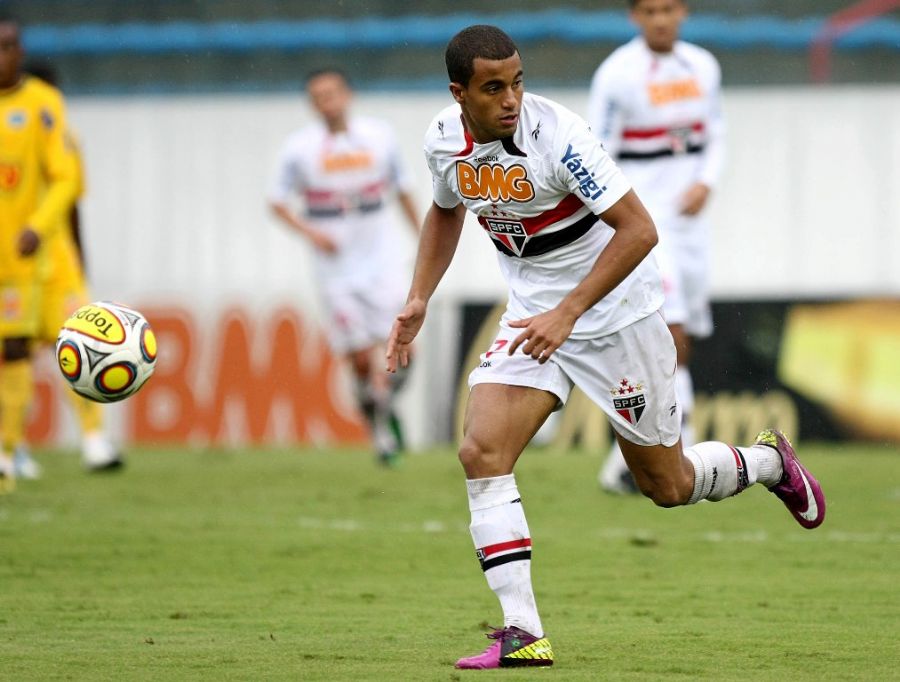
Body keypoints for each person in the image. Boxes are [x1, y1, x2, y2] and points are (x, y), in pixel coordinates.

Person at [386, 24, 824, 670]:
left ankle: (766, 464)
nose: (512, 98)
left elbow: (639, 231)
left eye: (518, 80)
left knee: (667, 485)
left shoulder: (560, 135)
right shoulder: (444, 143)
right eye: (493, 87)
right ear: (460, 94)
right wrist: (420, 293)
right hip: (537, 317)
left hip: (618, 315)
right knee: (481, 449)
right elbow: (446, 211)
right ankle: (523, 632)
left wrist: (570, 312)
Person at [587, 0, 724, 494]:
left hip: (690, 228)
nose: (660, 19)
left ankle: (622, 465)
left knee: (678, 337)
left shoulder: (703, 66)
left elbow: (716, 134)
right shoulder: (616, 74)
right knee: (673, 331)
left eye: (668, 8)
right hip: (645, 224)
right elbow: (594, 149)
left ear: (683, 12)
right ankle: (670, 459)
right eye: (649, 10)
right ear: (634, 17)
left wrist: (707, 182)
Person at [269, 68, 419, 466]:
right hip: (335, 272)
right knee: (358, 360)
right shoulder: (299, 149)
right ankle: (380, 432)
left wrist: (422, 235)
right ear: (312, 104)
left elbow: (402, 189)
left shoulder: (380, 137)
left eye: (333, 92)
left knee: (406, 349)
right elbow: (277, 201)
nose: (328, 101)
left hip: (383, 262)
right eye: (319, 96)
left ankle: (383, 403)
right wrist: (312, 233)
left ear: (347, 94)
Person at [15, 59, 125, 479]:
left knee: (83, 345)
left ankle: (94, 440)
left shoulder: (66, 139)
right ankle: (15, 446)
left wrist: (80, 259)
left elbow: (72, 200)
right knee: (15, 354)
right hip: (15, 260)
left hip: (57, 261)